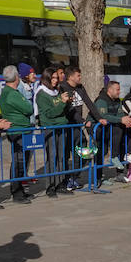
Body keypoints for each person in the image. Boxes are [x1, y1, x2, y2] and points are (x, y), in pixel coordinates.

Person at [35, 65, 75, 197]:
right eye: (52, 78)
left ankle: (60, 184)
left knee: (62, 157)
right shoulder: (41, 94)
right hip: (50, 129)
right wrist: (62, 103)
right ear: (46, 78)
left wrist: (67, 102)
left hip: (61, 127)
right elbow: (50, 114)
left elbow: (60, 110)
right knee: (52, 158)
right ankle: (50, 187)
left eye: (56, 78)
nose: (55, 80)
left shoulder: (56, 91)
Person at [0, 64, 35, 204]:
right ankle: (17, 193)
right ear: (16, 77)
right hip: (18, 131)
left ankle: (20, 190)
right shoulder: (11, 93)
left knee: (21, 162)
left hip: (21, 130)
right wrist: (25, 103)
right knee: (18, 162)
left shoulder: (10, 92)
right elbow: (28, 108)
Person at [63, 65, 101, 191]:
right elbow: (69, 109)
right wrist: (82, 121)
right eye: (78, 75)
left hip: (78, 126)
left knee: (83, 152)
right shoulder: (63, 87)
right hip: (68, 126)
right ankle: (66, 179)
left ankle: (74, 177)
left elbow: (89, 103)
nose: (80, 78)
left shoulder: (80, 87)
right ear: (70, 77)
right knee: (66, 155)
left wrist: (99, 118)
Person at [95, 80, 131, 178]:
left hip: (109, 128)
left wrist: (126, 120)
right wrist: (120, 120)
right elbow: (103, 116)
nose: (119, 92)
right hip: (98, 129)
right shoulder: (102, 100)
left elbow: (119, 113)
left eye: (119, 89)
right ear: (110, 90)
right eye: (117, 90)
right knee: (101, 152)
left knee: (123, 132)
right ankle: (98, 178)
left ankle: (115, 160)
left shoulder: (117, 100)